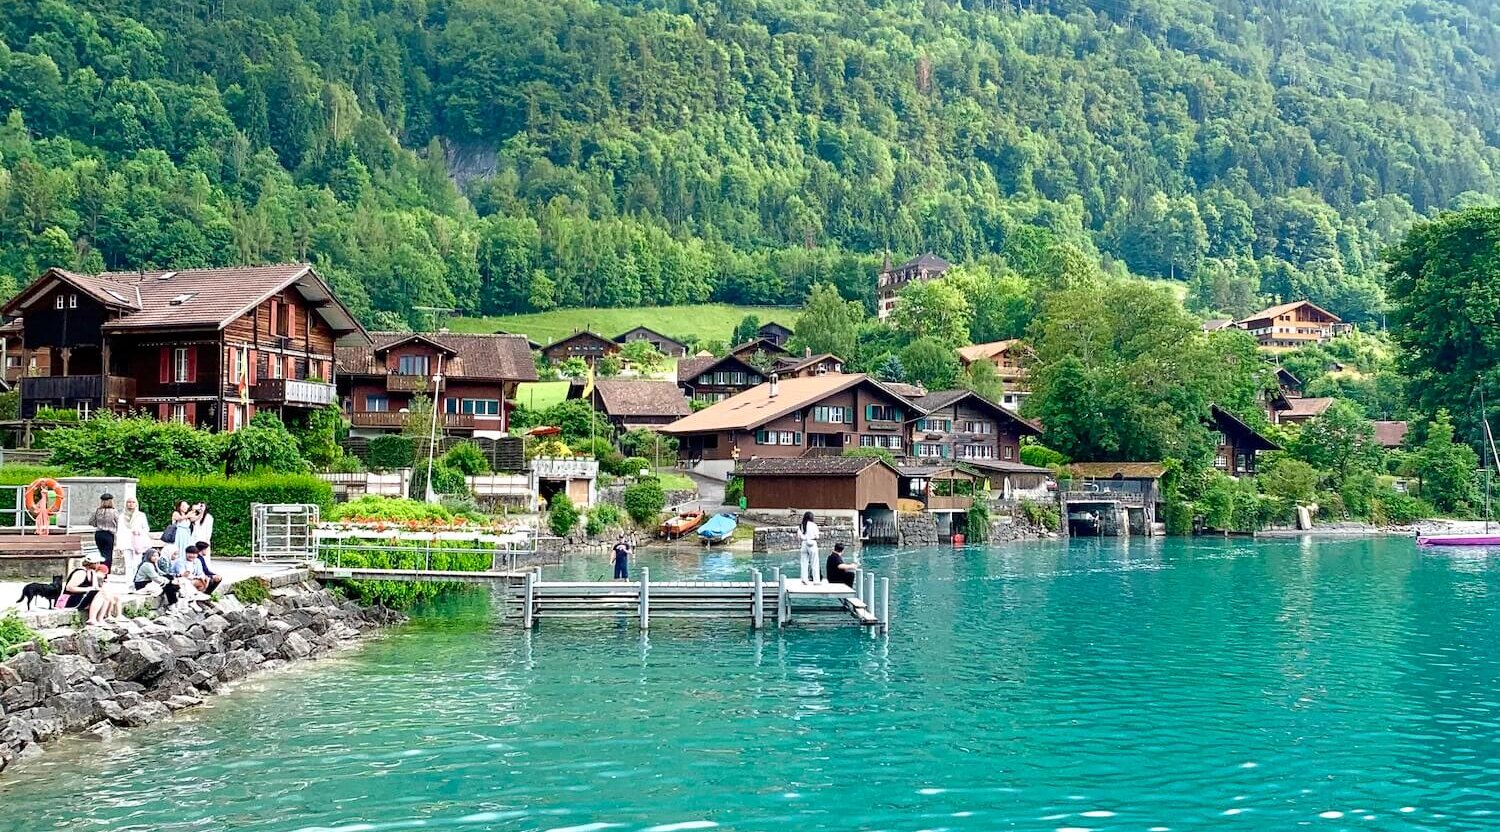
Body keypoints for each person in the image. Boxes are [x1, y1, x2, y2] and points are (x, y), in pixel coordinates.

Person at [118, 496, 151, 580]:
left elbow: (146, 528)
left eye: (133, 502)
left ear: (136, 504)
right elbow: (119, 531)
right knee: (128, 564)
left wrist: (139, 532)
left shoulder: (141, 515)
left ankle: (136, 581)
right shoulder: (122, 516)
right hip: (126, 542)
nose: (131, 504)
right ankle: (129, 583)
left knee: (137, 563)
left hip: (137, 542)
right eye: (129, 502)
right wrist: (119, 545)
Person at [89, 493, 118, 569]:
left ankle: (100, 569)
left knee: (101, 553)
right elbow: (118, 523)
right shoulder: (114, 511)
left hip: (98, 534)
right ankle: (106, 570)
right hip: (109, 534)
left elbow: (92, 522)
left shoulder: (97, 511)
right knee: (108, 554)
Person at [796, 511, 822, 583]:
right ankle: (816, 580)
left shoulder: (801, 525)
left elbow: (799, 537)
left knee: (804, 562)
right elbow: (817, 536)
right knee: (814, 562)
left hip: (804, 543)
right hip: (812, 543)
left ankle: (804, 579)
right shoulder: (813, 525)